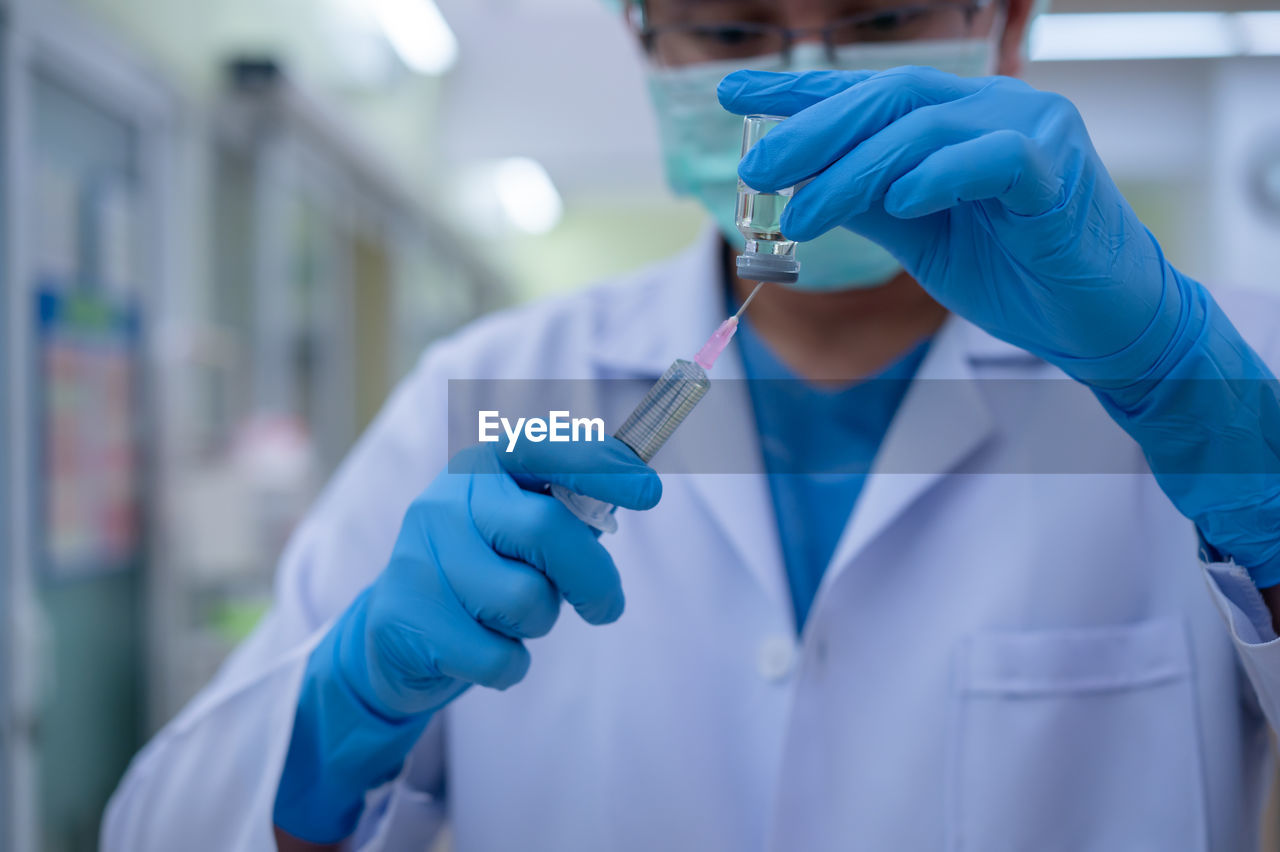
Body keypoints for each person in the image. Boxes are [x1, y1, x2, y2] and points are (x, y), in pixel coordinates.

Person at [104, 1, 1280, 849]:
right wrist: (335, 718)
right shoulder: (495, 388)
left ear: (1006, 25)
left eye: (878, 24)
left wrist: (1205, 414)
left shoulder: (1209, 371)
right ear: (642, 37)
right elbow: (158, 831)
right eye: (729, 34)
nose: (812, 76)